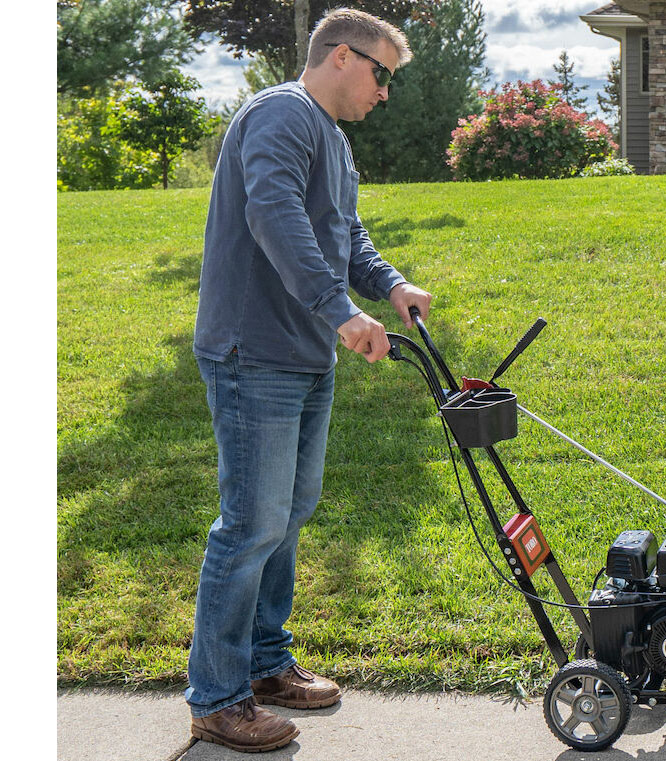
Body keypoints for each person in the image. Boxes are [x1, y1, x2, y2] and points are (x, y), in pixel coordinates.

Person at [186, 8, 432, 753]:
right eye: (382, 73)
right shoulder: (281, 115)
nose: (385, 91)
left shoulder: (330, 136)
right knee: (250, 522)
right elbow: (275, 214)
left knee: (288, 512)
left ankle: (264, 665)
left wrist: (389, 286)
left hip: (300, 354)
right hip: (251, 350)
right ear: (342, 56)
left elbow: (340, 231)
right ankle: (217, 697)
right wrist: (337, 310)